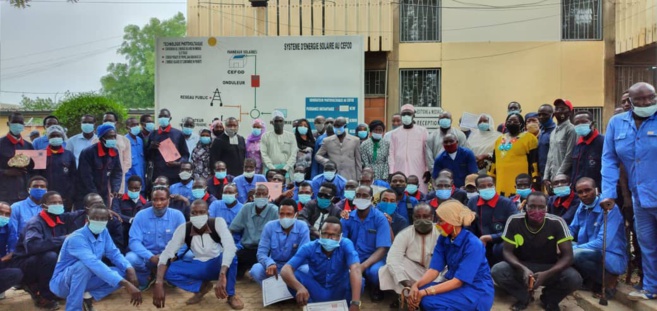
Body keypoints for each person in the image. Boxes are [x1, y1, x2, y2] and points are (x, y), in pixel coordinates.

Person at [601, 82, 657, 300]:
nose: (646, 103)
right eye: (640, 99)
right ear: (630, 102)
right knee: (647, 244)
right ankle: (651, 288)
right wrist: (608, 193)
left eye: (650, 98)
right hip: (639, 198)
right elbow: (609, 159)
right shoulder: (617, 123)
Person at [492, 192, 582, 311]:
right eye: (532, 206)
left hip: (550, 266)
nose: (536, 210)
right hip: (522, 265)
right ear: (525, 207)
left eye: (541, 207)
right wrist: (522, 269)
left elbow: (568, 257)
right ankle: (524, 296)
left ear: (547, 208)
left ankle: (550, 299)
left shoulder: (557, 222)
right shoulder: (514, 220)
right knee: (498, 270)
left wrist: (547, 273)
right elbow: (507, 252)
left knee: (574, 278)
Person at [49, 204, 142, 311]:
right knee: (83, 267)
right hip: (63, 283)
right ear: (87, 219)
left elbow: (113, 253)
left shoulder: (104, 232)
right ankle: (73, 308)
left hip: (87, 279)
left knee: (122, 271)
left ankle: (87, 296)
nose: (99, 221)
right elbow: (93, 263)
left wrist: (129, 268)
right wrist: (125, 283)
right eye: (95, 218)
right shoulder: (76, 238)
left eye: (103, 219)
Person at [152, 199, 243, 309]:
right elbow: (167, 253)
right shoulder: (184, 229)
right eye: (194, 213)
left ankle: (231, 294)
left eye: (201, 212)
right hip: (199, 264)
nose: (197, 215)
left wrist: (222, 274)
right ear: (189, 214)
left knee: (232, 257)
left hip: (218, 263)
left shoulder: (217, 223)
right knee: (168, 271)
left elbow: (230, 247)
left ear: (207, 214)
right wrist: (159, 282)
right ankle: (201, 287)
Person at [406, 200, 494, 311]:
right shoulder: (444, 238)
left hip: (476, 290)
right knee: (419, 290)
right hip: (458, 285)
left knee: (428, 300)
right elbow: (434, 270)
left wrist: (425, 292)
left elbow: (458, 281)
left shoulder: (473, 244)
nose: (437, 224)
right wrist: (416, 285)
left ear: (452, 222)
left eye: (441, 221)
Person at [9, 191, 83, 309]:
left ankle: (54, 288)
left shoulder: (61, 218)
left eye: (59, 202)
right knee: (50, 256)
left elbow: (80, 213)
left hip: (41, 261)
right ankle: (44, 296)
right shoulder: (35, 223)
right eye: (53, 203)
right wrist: (63, 239)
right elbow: (33, 246)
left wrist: (103, 211)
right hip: (24, 264)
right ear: (44, 206)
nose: (58, 205)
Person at [280, 216, 363, 309]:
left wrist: (355, 302)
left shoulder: (346, 244)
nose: (329, 238)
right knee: (294, 276)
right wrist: (299, 287)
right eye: (325, 234)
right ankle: (310, 307)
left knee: (360, 280)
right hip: (316, 290)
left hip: (339, 290)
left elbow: (355, 268)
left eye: (333, 235)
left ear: (340, 236)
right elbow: (285, 269)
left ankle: (347, 307)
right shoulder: (309, 247)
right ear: (319, 233)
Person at [570, 177, 627, 298]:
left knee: (575, 254)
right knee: (563, 247)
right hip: (589, 251)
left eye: (587, 190)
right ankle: (591, 281)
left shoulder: (609, 208)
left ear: (596, 190)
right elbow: (572, 229)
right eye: (580, 192)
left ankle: (609, 282)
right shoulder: (582, 206)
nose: (584, 195)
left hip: (609, 255)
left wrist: (574, 248)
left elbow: (602, 243)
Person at [126, 187, 186, 289]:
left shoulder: (177, 215)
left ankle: (170, 276)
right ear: (151, 200)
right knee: (130, 258)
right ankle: (147, 276)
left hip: (170, 258)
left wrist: (172, 254)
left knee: (189, 256)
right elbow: (134, 242)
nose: (158, 203)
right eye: (155, 199)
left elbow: (184, 241)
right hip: (147, 258)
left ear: (168, 200)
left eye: (162, 199)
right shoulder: (141, 216)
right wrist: (150, 256)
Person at [378, 203, 439, 303]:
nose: (422, 220)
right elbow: (393, 258)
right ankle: (404, 295)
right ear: (413, 218)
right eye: (418, 217)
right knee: (388, 268)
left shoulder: (441, 232)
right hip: (413, 271)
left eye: (425, 216)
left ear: (432, 217)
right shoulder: (405, 233)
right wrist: (408, 284)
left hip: (435, 272)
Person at [341, 185, 391, 301]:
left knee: (375, 273)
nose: (361, 198)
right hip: (352, 257)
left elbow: (383, 248)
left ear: (372, 198)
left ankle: (375, 287)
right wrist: (352, 262)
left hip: (373, 258)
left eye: (365, 196)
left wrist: (363, 266)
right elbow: (341, 241)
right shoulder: (347, 217)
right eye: (358, 195)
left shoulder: (380, 218)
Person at [249, 198, 310, 286]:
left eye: (289, 214)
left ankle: (294, 289)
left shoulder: (302, 227)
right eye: (282, 214)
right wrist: (269, 263)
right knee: (256, 269)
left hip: (294, 268)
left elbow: (303, 255)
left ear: (296, 215)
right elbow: (261, 253)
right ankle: (272, 291)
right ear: (278, 214)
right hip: (274, 267)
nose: (285, 217)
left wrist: (288, 268)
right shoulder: (269, 226)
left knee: (306, 270)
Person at [229, 184, 279, 278]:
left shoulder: (274, 210)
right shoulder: (246, 208)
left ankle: (252, 271)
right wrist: (229, 247)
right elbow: (232, 229)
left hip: (266, 251)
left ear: (268, 197)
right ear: (253, 197)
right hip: (248, 249)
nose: (260, 197)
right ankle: (246, 271)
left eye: (263, 194)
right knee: (232, 266)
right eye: (258, 194)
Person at [467, 175, 518, 266]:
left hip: (500, 242)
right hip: (479, 242)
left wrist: (491, 237)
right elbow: (468, 226)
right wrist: (474, 240)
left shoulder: (506, 203)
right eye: (482, 186)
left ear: (494, 185)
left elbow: (515, 228)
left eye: (490, 185)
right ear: (477, 189)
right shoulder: (472, 202)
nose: (487, 188)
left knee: (499, 248)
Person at [488, 112, 539, 197]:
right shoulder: (499, 139)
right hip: (501, 180)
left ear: (522, 124)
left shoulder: (530, 138)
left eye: (515, 121)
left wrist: (535, 178)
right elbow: (494, 161)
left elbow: (534, 161)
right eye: (509, 121)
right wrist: (490, 177)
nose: (512, 123)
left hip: (521, 181)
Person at [78, 123, 123, 205]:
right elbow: (86, 176)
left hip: (104, 192)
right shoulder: (88, 152)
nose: (112, 139)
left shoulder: (114, 151)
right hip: (87, 192)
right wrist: (95, 194)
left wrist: (115, 189)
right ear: (101, 138)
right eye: (109, 137)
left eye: (114, 136)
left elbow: (117, 172)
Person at [389, 104, 430, 193]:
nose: (406, 116)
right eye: (403, 114)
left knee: (419, 191)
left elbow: (427, 151)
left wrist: (427, 170)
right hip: (399, 168)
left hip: (419, 168)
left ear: (413, 115)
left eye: (408, 114)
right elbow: (391, 153)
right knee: (400, 192)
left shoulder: (422, 131)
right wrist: (391, 171)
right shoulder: (395, 133)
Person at [146, 109, 190, 185]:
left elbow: (185, 155)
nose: (163, 118)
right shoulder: (153, 134)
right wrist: (151, 147)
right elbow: (147, 156)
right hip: (158, 174)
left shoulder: (178, 134)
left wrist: (178, 163)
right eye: (160, 116)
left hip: (174, 175)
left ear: (170, 118)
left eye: (165, 116)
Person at [0, 112, 34, 205]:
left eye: (20, 122)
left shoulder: (28, 146)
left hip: (24, 193)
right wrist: (5, 172)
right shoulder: (1, 144)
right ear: (8, 124)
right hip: (4, 193)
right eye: (14, 122)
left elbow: (34, 170)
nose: (17, 125)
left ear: (23, 125)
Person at [544, 99, 577, 190]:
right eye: (557, 109)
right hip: (552, 179)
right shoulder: (553, 132)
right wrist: (546, 177)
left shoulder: (571, 130)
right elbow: (549, 156)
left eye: (562, 109)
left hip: (564, 179)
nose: (559, 111)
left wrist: (558, 177)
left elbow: (569, 155)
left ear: (569, 112)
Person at [94, 112, 132, 193]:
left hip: (118, 178)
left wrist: (118, 172)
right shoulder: (96, 140)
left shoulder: (125, 140)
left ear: (116, 123)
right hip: (100, 177)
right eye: (105, 120)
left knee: (116, 199)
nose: (107, 122)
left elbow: (127, 161)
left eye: (110, 120)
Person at [315, 117, 362, 181]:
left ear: (344, 126)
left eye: (339, 126)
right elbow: (317, 155)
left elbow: (358, 161)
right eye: (335, 126)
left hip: (350, 176)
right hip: (334, 177)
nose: (337, 128)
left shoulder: (355, 140)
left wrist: (359, 178)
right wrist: (327, 161)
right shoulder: (327, 140)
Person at [426, 111, 469, 175]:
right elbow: (429, 157)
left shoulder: (460, 135)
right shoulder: (431, 136)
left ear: (451, 120)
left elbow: (464, 153)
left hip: (457, 172)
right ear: (438, 121)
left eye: (447, 118)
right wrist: (434, 172)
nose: (445, 120)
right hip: (438, 172)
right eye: (442, 118)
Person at [112, 176, 149, 249]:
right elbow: (115, 213)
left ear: (141, 188)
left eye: (136, 188)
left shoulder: (145, 203)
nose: (133, 191)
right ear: (127, 187)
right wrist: (130, 220)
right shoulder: (118, 199)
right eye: (131, 188)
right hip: (122, 231)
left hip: (138, 233)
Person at [571, 110, 604, 190]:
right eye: (577, 123)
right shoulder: (578, 144)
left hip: (596, 191)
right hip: (579, 191)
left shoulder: (602, 142)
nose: (580, 125)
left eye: (584, 122)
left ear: (592, 124)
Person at [260, 111, 297, 177]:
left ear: (284, 122)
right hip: (270, 170)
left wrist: (285, 168)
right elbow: (263, 154)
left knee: (287, 187)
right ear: (272, 123)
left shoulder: (291, 136)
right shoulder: (265, 136)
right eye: (276, 121)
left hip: (287, 171)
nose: (278, 123)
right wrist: (272, 168)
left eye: (280, 121)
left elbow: (293, 154)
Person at [0, 201, 22, 301]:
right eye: (0, 212)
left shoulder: (9, 226)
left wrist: (6, 258)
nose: (3, 216)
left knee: (17, 273)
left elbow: (13, 249)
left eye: (7, 214)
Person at [537, 104, 556, 184]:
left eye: (545, 114)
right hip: (540, 173)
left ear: (552, 115)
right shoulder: (540, 131)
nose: (541, 117)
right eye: (539, 115)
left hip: (552, 174)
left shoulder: (555, 131)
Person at [125, 117, 146, 191]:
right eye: (133, 125)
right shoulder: (124, 141)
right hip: (130, 184)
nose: (136, 126)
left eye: (137, 124)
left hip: (141, 182)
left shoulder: (140, 140)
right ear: (127, 127)